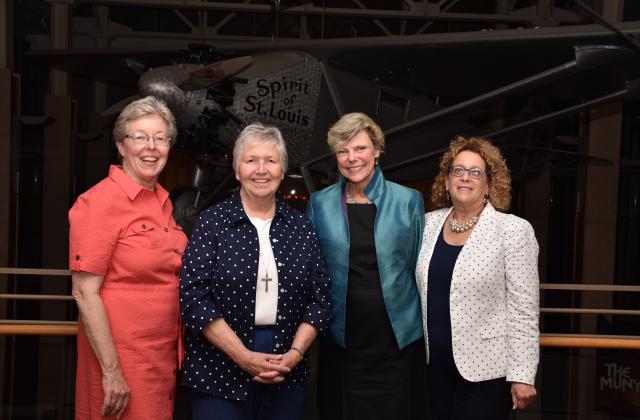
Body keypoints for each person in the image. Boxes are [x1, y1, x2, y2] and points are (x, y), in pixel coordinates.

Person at [179, 122, 331, 420]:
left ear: (283, 169)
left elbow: (320, 299)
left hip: (286, 369)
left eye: (271, 161)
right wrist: (243, 356)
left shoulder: (302, 228)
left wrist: (295, 355)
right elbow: (194, 298)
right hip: (219, 368)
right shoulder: (212, 222)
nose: (261, 170)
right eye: (251, 160)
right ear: (237, 171)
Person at [69, 96, 187, 419]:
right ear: (121, 146)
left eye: (160, 138)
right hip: (121, 362)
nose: (151, 147)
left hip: (160, 359)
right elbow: (83, 292)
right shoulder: (98, 203)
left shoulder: (163, 202)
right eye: (140, 137)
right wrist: (111, 371)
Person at [307, 112, 427, 420]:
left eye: (359, 148)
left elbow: (416, 266)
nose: (352, 158)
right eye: (343, 151)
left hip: (396, 342)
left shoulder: (408, 200)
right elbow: (315, 271)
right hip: (341, 340)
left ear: (376, 150)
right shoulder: (319, 204)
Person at [415, 136, 540, 420]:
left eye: (475, 172)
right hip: (432, 369)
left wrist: (523, 374)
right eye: (457, 170)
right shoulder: (427, 224)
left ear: (488, 184)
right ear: (446, 181)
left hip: (487, 373)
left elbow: (524, 309)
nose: (465, 178)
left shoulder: (513, 231)